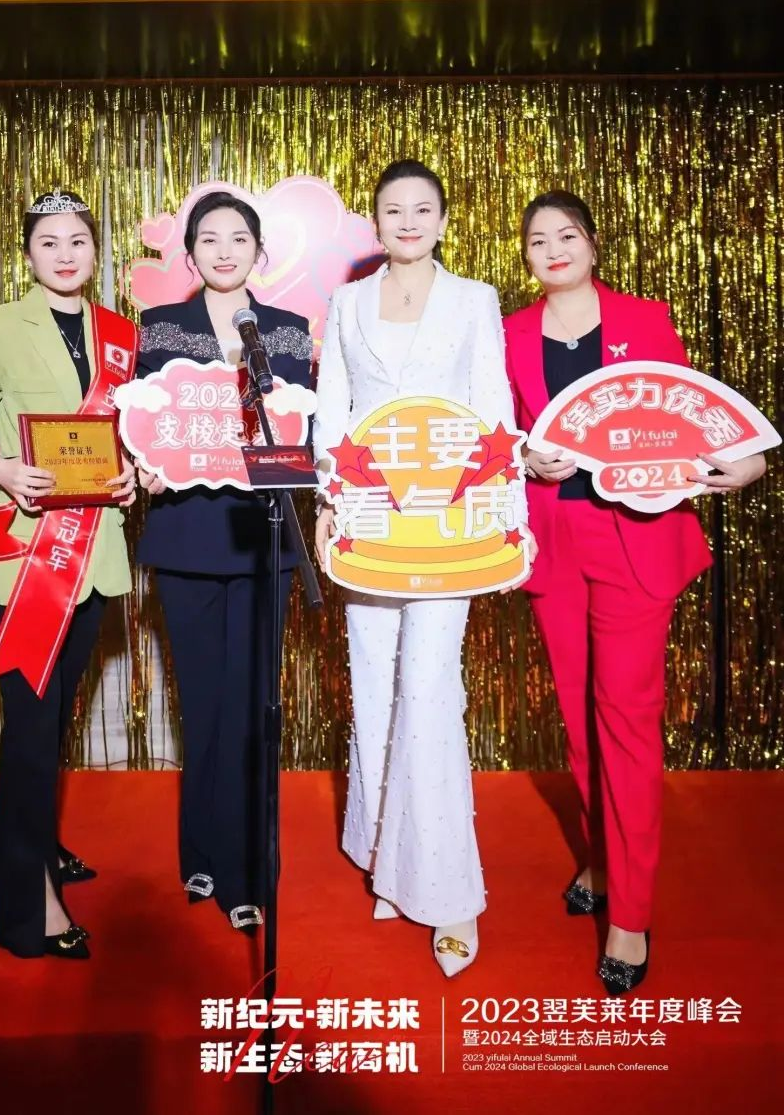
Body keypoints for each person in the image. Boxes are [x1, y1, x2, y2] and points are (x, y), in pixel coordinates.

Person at [505, 189, 766, 996]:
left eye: (567, 234)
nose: (554, 248)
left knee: (625, 720)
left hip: (636, 541)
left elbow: (692, 414)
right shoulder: (509, 334)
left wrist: (746, 458)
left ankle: (631, 913)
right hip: (555, 541)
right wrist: (522, 456)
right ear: (527, 255)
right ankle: (600, 859)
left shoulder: (644, 321)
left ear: (592, 244)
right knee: (579, 721)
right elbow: (495, 432)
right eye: (538, 239)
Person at [314, 160, 522, 978]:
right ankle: (384, 857)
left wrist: (505, 521)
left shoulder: (474, 300)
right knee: (372, 680)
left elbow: (493, 406)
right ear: (375, 222)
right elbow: (334, 410)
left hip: (447, 524)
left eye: (422, 209)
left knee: (430, 687)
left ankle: (447, 890)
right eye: (393, 209)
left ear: (442, 219)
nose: (407, 221)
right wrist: (330, 502)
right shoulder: (347, 302)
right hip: (369, 521)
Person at [0, 189, 137, 961]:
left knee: (51, 727)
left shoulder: (120, 334)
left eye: (78, 242)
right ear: (27, 254)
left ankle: (10, 855)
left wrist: (133, 477)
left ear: (95, 252)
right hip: (27, 562)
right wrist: (2, 470)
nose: (65, 254)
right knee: (30, 733)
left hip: (95, 558)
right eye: (49, 243)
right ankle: (29, 910)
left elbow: (131, 435)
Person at [136, 189, 313, 932]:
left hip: (261, 539)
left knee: (251, 709)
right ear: (190, 254)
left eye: (238, 238)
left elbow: (305, 431)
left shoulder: (287, 330)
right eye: (208, 238)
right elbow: (142, 421)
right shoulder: (159, 326)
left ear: (259, 251)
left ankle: (250, 872)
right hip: (185, 535)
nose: (224, 250)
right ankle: (201, 853)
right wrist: (143, 463)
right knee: (202, 705)